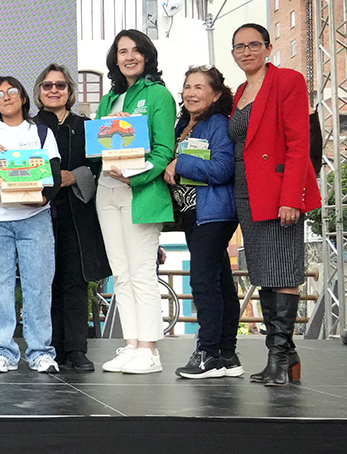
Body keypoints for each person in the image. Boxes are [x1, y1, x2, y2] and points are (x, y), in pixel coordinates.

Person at [228, 23, 321, 386]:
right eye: (240, 47)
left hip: (278, 191)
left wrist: (291, 198)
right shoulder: (240, 91)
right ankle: (286, 356)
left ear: (268, 48)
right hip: (246, 192)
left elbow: (299, 143)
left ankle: (278, 360)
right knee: (265, 273)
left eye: (254, 45)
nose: (247, 51)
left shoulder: (288, 81)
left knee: (283, 271)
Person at [95, 29, 176, 375]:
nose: (128, 56)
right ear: (115, 58)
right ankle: (131, 344)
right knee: (121, 274)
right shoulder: (109, 96)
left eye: (135, 50)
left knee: (141, 272)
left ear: (147, 55)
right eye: (122, 51)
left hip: (139, 191)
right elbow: (99, 144)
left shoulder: (158, 94)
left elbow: (164, 151)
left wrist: (136, 176)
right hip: (106, 190)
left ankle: (151, 350)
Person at [0, 77, 62, 373]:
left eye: (12, 92)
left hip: (34, 219)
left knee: (38, 287)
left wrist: (41, 199)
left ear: (23, 98)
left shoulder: (42, 133)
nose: (6, 97)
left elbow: (55, 178)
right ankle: (3, 351)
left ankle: (40, 352)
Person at [163, 66, 242, 379]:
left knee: (202, 281)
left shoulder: (218, 123)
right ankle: (227, 354)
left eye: (199, 87)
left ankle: (207, 352)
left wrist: (181, 162)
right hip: (193, 214)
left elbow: (224, 168)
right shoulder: (185, 124)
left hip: (214, 212)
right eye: (187, 87)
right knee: (220, 281)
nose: (191, 93)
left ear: (216, 94)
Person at [33, 65, 110, 372]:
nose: (54, 90)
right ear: (38, 91)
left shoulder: (86, 126)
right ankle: (49, 349)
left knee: (75, 282)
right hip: (38, 213)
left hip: (77, 212)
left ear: (70, 91)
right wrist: (50, 179)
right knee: (45, 284)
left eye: (60, 85)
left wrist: (71, 177)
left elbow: (99, 166)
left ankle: (77, 349)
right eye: (48, 85)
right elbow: (20, 167)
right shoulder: (30, 128)